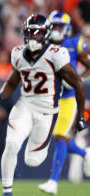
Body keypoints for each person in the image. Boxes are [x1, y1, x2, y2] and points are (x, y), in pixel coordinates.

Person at [0, 14, 88, 196]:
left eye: (36, 33)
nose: (32, 37)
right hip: (25, 106)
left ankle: (84, 153)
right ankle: (7, 191)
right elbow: (13, 81)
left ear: (45, 34)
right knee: (11, 144)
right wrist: (1, 94)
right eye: (29, 33)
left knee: (32, 160)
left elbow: (78, 84)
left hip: (47, 112)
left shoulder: (56, 54)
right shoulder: (18, 53)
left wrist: (81, 116)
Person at [38, 10, 90, 195]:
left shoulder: (76, 43)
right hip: (51, 97)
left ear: (67, 28)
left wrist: (78, 79)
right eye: (56, 26)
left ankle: (53, 182)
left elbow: (88, 65)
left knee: (60, 136)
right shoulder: (44, 44)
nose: (58, 30)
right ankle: (86, 154)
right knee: (58, 138)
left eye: (61, 26)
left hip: (68, 97)